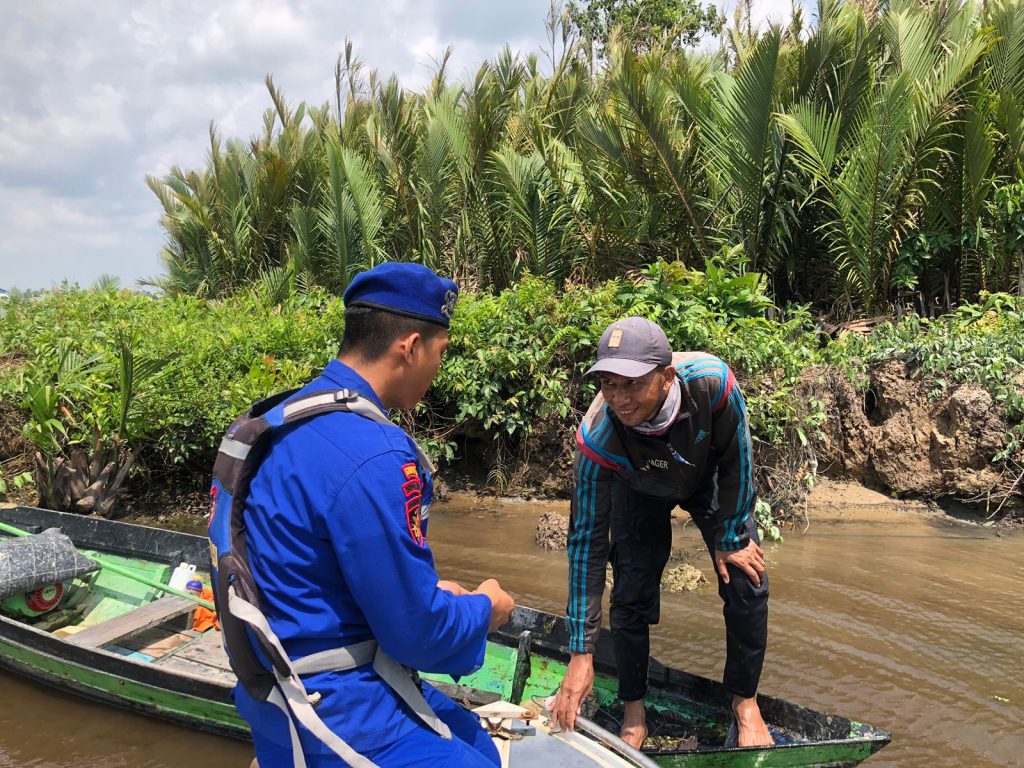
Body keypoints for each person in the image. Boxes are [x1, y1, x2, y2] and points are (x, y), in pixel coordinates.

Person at [217, 262, 516, 768]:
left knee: (476, 738)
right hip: (336, 702)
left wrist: (430, 593)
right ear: (410, 347)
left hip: (271, 682)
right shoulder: (374, 452)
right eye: (440, 352)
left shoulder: (273, 421)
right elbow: (418, 634)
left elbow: (307, 567)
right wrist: (487, 609)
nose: (437, 368)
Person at [549, 317, 772, 749]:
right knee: (630, 591)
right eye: (608, 384)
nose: (619, 398)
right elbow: (585, 543)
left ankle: (745, 703)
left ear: (666, 376)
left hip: (704, 474)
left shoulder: (711, 384)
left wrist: (730, 537)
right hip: (638, 485)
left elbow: (739, 459)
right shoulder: (598, 438)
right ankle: (634, 713)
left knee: (747, 579)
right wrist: (580, 652)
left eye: (632, 384)